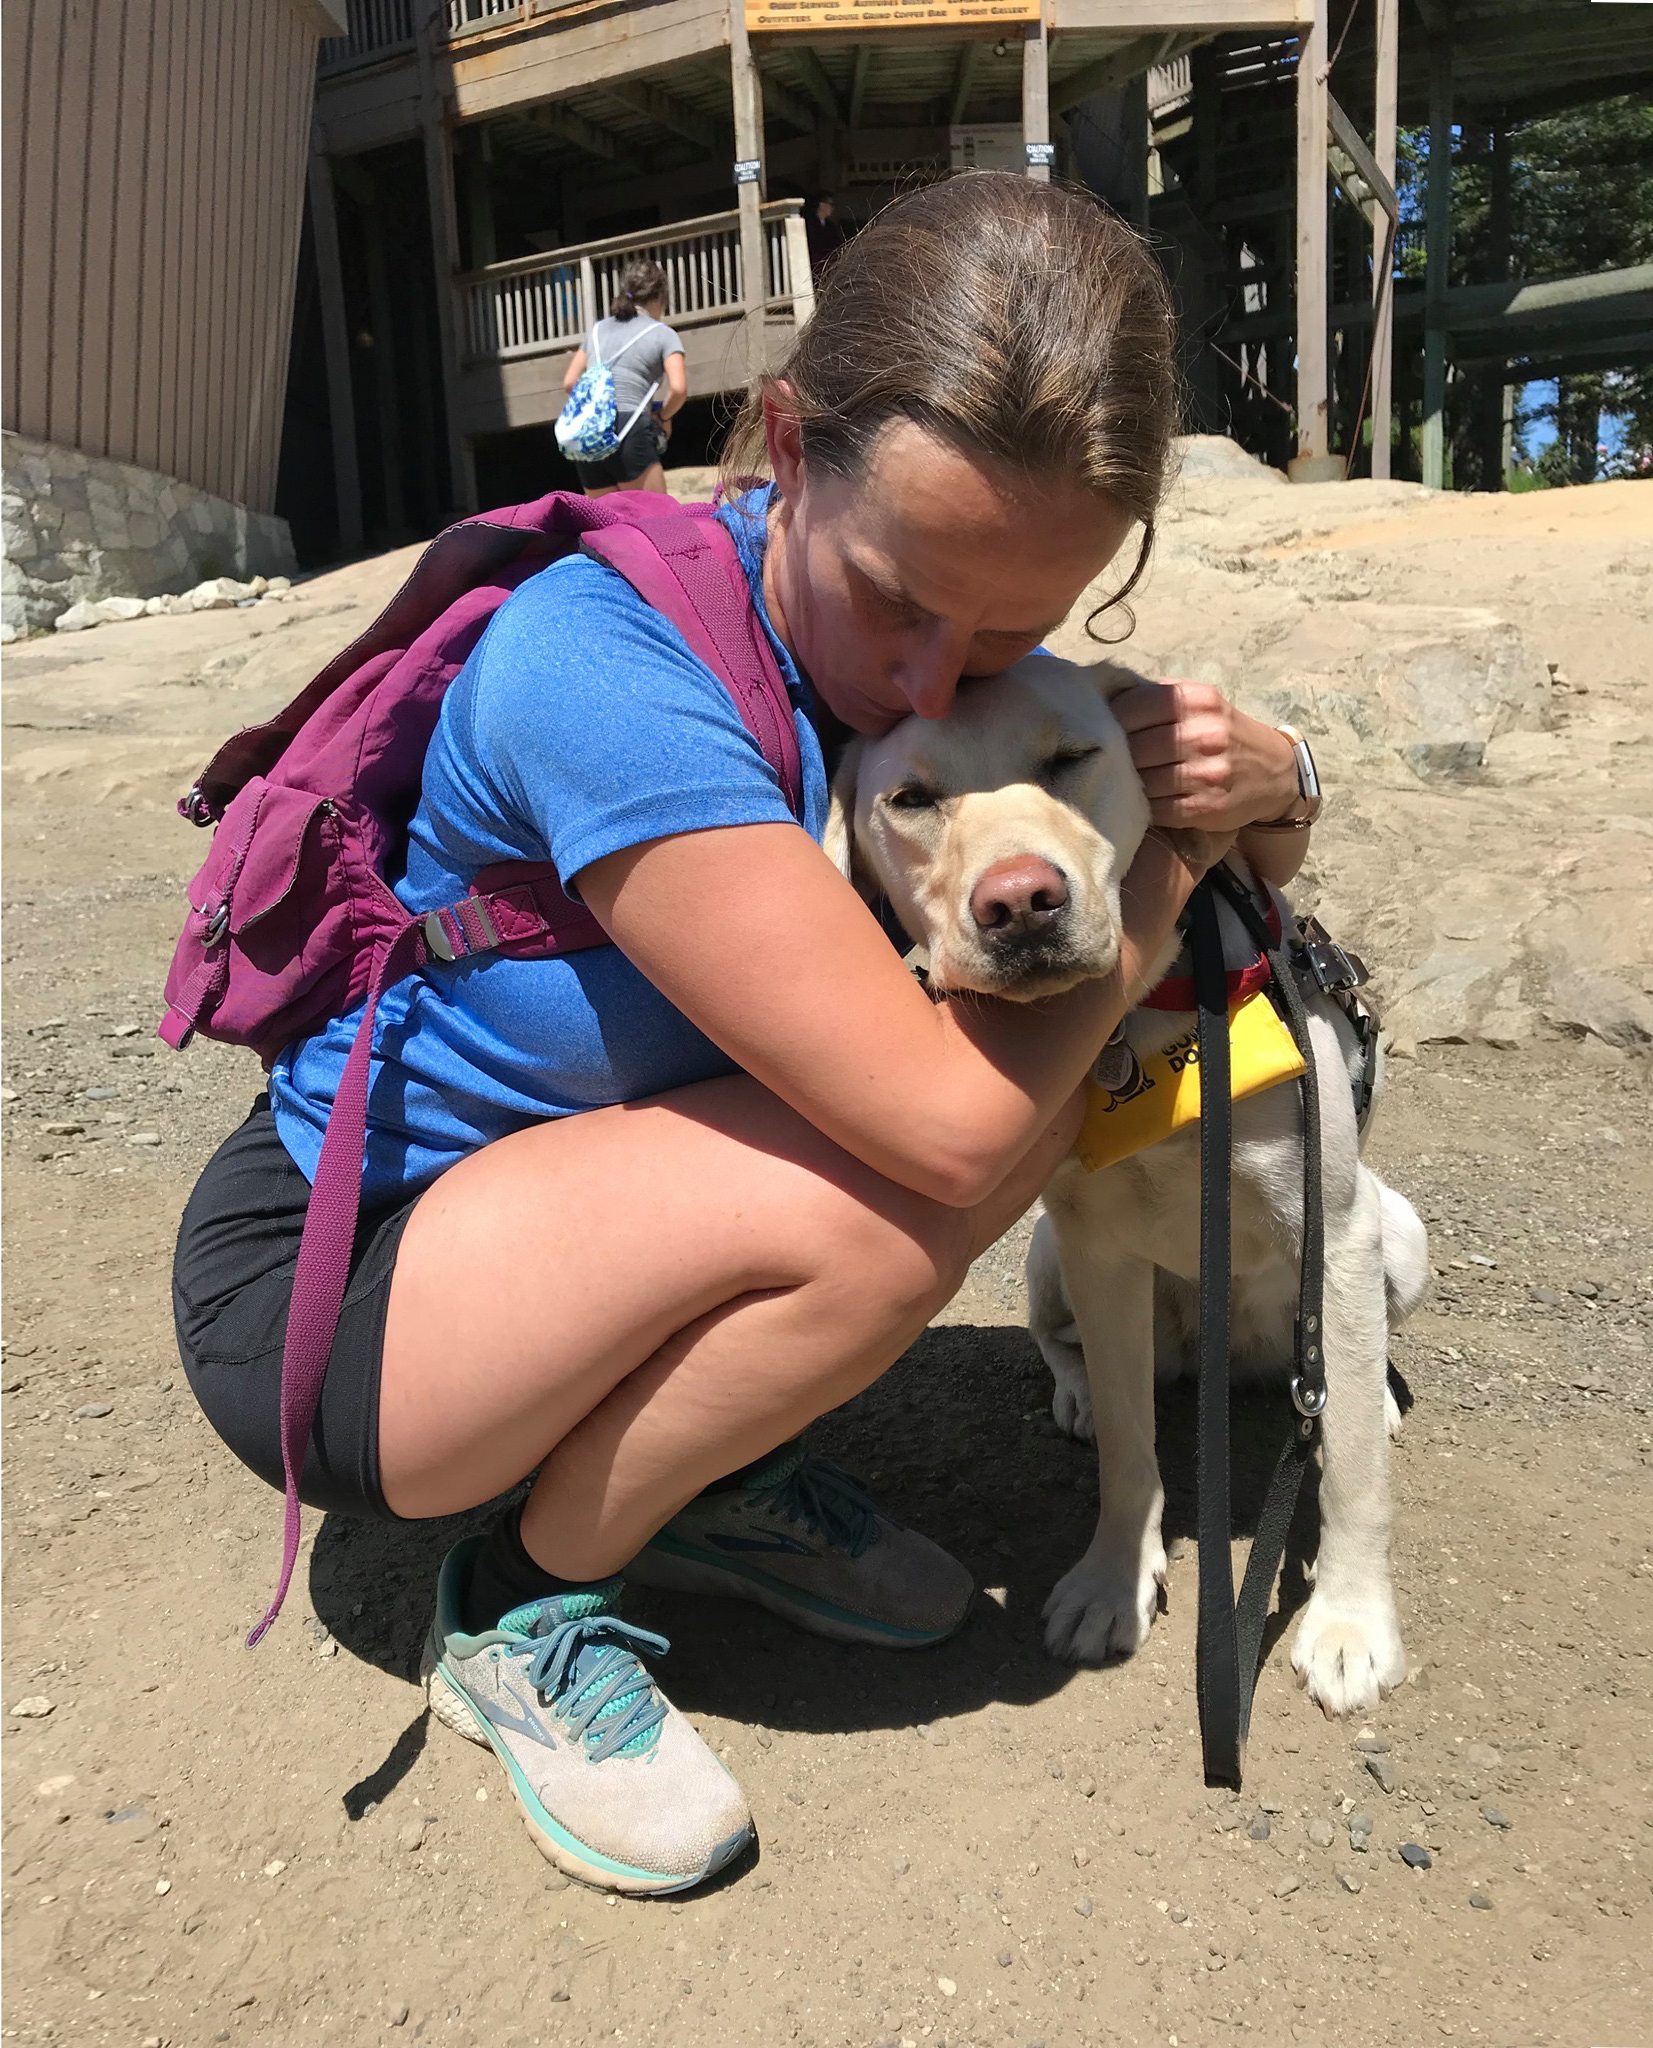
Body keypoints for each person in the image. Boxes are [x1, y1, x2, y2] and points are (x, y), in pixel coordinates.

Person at [172, 172, 1314, 1898]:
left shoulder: (923, 694)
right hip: (347, 1296)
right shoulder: (606, 668)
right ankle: (518, 1596)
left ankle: (687, 1476)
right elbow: (943, 1129)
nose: (938, 683)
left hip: (579, 1228)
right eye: (896, 597)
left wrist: (1280, 779)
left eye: (1013, 631)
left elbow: (1193, 885)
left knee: (946, 1136)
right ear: (782, 436)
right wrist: (1158, 859)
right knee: (901, 1197)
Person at [559, 257, 687, 495]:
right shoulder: (664, 334)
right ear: (660, 297)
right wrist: (663, 417)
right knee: (658, 522)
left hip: (590, 435)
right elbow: (678, 389)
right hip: (629, 430)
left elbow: (569, 383)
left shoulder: (597, 330)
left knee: (607, 528)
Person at [804, 191, 849, 278]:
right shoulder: (808, 223)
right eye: (831, 204)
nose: (833, 208)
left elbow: (836, 244)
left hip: (828, 266)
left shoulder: (831, 226)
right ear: (822, 205)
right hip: (813, 265)